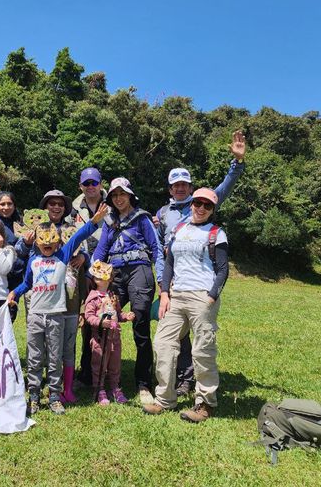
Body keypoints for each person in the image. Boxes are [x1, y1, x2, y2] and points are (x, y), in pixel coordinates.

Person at [154, 130, 245, 397]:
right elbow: (163, 252)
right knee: (171, 339)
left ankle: (190, 384)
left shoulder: (204, 205)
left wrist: (236, 163)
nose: (180, 188)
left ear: (191, 189)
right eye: (175, 185)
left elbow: (225, 187)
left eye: (184, 184)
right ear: (170, 189)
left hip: (200, 286)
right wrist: (163, 286)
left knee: (198, 342)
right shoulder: (162, 213)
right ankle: (171, 388)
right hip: (174, 283)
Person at [7, 203, 108, 416]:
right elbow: (27, 283)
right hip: (35, 315)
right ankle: (33, 395)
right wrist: (14, 293)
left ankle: (54, 396)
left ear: (56, 242)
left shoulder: (62, 256)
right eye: (43, 244)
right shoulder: (33, 261)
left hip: (56, 316)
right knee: (34, 356)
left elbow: (79, 236)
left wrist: (94, 221)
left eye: (51, 243)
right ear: (36, 242)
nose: (47, 247)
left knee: (55, 356)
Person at [144, 188, 230, 423]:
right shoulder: (179, 230)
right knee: (163, 344)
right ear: (191, 204)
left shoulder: (216, 233)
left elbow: (223, 270)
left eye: (207, 205)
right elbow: (169, 262)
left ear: (212, 210)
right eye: (198, 203)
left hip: (202, 295)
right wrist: (164, 293)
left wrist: (211, 296)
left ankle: (204, 403)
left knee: (202, 350)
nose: (201, 208)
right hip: (176, 295)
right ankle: (165, 399)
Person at [92, 177, 163, 405]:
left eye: (122, 194)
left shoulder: (142, 218)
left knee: (140, 323)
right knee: (105, 320)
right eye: (114, 195)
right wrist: (92, 280)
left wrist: (161, 280)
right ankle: (98, 378)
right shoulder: (109, 221)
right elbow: (100, 251)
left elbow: (156, 249)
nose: (119, 199)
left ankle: (143, 384)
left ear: (130, 195)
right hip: (115, 275)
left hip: (140, 272)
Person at [15, 189, 86, 404]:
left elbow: (79, 240)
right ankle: (35, 391)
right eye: (51, 204)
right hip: (37, 307)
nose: (56, 207)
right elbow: (26, 278)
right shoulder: (34, 251)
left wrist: (84, 251)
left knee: (60, 349)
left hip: (62, 303)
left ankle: (58, 391)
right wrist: (14, 293)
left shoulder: (65, 244)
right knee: (36, 351)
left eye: (60, 204)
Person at [71, 168, 108, 387]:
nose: (91, 186)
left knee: (105, 319)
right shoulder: (73, 210)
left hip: (107, 273)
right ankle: (85, 372)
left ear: (101, 184)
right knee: (85, 321)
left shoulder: (113, 205)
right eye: (87, 183)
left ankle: (104, 372)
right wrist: (83, 256)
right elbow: (70, 238)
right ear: (81, 186)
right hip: (83, 274)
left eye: (95, 182)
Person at [84, 260, 135, 405]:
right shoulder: (93, 297)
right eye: (96, 277)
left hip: (114, 337)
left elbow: (117, 314)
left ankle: (115, 388)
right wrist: (100, 322)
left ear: (110, 278)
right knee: (99, 364)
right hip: (100, 338)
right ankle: (99, 389)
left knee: (115, 364)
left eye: (102, 276)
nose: (98, 279)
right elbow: (88, 316)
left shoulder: (113, 296)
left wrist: (125, 316)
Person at [0, 191, 26, 319]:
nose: (6, 207)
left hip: (16, 276)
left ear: (14, 206)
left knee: (10, 314)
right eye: (2, 204)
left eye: (9, 204)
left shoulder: (20, 224)